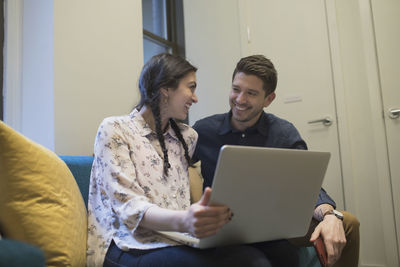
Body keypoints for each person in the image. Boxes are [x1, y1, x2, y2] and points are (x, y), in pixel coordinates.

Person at [86, 53, 295, 267]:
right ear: (165, 89)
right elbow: (130, 207)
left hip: (177, 240)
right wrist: (185, 220)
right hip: (128, 245)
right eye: (191, 87)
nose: (195, 98)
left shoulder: (187, 137)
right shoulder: (114, 129)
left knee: (253, 260)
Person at [192, 55, 360, 267]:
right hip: (224, 230)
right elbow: (174, 166)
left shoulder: (284, 133)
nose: (240, 99)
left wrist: (329, 214)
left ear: (269, 99)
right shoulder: (203, 130)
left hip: (274, 229)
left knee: (342, 227)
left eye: (251, 93)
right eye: (236, 89)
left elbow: (307, 184)